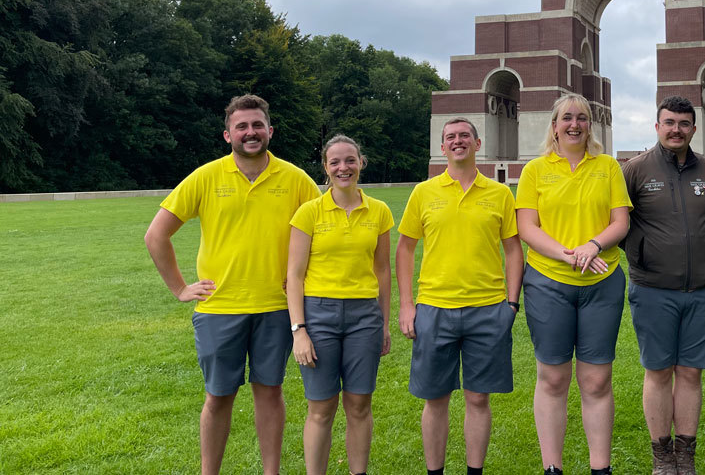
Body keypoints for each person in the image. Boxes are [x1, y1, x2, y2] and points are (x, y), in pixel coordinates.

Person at [144, 94, 320, 475]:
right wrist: (179, 289)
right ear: (228, 135)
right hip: (218, 309)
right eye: (242, 126)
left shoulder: (296, 180)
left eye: (257, 125)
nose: (250, 132)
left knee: (269, 392)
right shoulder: (207, 177)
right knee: (218, 397)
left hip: (276, 307)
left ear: (270, 130)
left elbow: (323, 234)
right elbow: (156, 235)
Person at [396, 117, 523, 475]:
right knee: (435, 399)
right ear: (442, 147)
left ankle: (474, 471)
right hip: (435, 308)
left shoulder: (499, 194)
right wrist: (407, 305)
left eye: (464, 135)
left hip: (488, 309)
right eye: (450, 137)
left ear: (477, 144)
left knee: (478, 397)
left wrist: (511, 303)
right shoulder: (424, 192)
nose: (457, 141)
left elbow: (513, 250)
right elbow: (405, 249)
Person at [515, 93, 632, 475]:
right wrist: (569, 254)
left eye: (582, 118)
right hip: (548, 282)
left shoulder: (608, 168)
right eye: (567, 118)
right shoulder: (534, 171)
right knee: (552, 377)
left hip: (602, 281)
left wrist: (593, 245)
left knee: (597, 379)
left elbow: (620, 222)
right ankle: (553, 468)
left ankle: (601, 468)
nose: (575, 124)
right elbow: (527, 228)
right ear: (554, 125)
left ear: (590, 126)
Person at [621, 96, 705, 475]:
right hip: (652, 290)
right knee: (658, 372)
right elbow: (619, 224)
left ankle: (686, 454)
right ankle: (662, 456)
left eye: (684, 124)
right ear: (657, 126)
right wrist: (645, 253)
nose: (676, 130)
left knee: (690, 373)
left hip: (702, 291)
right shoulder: (634, 171)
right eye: (669, 123)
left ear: (694, 129)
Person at [287, 135, 393, 475]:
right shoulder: (309, 212)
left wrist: (385, 323)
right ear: (326, 168)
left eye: (350, 160)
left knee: (359, 404)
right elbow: (295, 275)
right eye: (335, 162)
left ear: (361, 162)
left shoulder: (379, 211)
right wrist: (299, 331)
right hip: (319, 316)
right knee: (321, 407)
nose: (343, 168)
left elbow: (382, 270)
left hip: (365, 316)